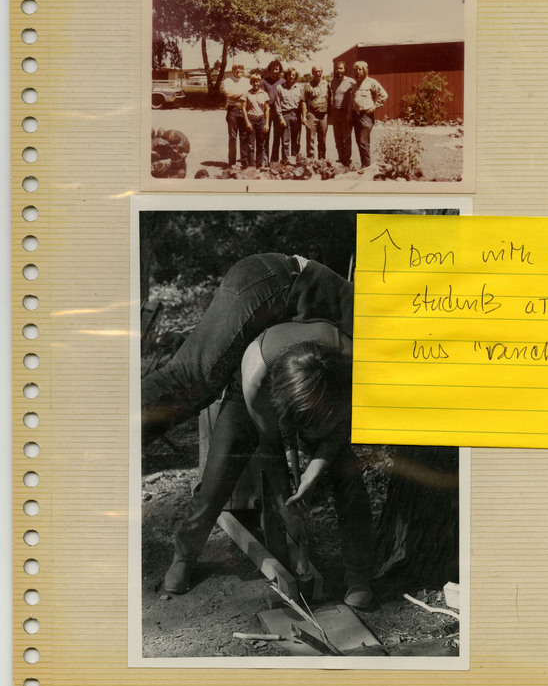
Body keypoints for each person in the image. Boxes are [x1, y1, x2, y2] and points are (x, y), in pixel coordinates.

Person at [163, 321, 375, 609]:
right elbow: (270, 448)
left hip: (324, 392)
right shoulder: (256, 376)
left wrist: (311, 476)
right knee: (217, 479)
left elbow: (338, 431)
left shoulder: (351, 362)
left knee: (348, 475)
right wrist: (285, 507)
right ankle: (184, 555)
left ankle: (358, 574)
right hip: (252, 389)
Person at [141, 253, 354, 447]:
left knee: (201, 386)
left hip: (269, 279)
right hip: (276, 282)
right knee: (192, 379)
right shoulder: (368, 338)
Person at [350, 60, 388, 168]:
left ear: (365, 70)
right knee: (359, 141)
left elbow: (384, 95)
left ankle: (366, 166)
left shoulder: (372, 82)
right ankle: (364, 164)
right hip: (356, 116)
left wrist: (374, 107)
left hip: (366, 116)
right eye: (355, 69)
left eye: (360, 69)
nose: (357, 72)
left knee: (363, 141)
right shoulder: (354, 84)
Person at [220, 62, 251, 168]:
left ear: (243, 70)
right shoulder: (227, 81)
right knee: (232, 137)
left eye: (240, 68)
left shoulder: (247, 81)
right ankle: (232, 162)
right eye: (236, 68)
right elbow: (228, 95)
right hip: (232, 110)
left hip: (244, 111)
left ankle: (244, 161)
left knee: (244, 137)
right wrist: (243, 95)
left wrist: (237, 95)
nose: (238, 70)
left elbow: (250, 94)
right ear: (233, 70)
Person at [301, 65, 331, 160]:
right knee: (310, 138)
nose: (318, 73)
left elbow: (330, 99)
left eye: (320, 71)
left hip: (323, 114)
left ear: (322, 72)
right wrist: (304, 116)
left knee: (322, 139)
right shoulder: (308, 86)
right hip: (312, 114)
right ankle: (310, 159)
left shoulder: (327, 84)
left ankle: (322, 159)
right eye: (316, 71)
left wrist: (329, 113)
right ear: (312, 73)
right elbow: (303, 101)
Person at [240, 73, 270, 168]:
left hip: (261, 120)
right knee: (250, 144)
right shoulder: (247, 93)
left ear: (260, 82)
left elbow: (267, 109)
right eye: (253, 82)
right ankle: (251, 165)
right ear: (251, 82)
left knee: (261, 144)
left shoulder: (264, 94)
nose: (256, 83)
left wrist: (267, 123)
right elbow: (243, 108)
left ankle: (259, 165)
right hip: (251, 120)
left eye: (257, 81)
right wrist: (247, 122)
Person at [274, 67, 304, 160]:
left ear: (296, 77)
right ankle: (286, 161)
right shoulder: (280, 88)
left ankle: (295, 160)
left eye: (293, 75)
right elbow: (277, 104)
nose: (291, 77)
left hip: (296, 115)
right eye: (289, 74)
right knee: (285, 141)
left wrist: (303, 117)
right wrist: (281, 118)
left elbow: (303, 103)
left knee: (296, 140)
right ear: (286, 76)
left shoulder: (299, 87)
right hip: (285, 115)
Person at [330, 61, 355, 166]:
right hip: (335, 112)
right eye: (337, 68)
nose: (339, 70)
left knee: (347, 137)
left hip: (346, 112)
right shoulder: (333, 81)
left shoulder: (351, 82)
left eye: (341, 68)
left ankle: (347, 158)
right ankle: (340, 157)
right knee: (338, 137)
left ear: (345, 69)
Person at [260, 59, 285, 164]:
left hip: (279, 111)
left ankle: (274, 160)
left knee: (277, 136)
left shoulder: (283, 82)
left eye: (277, 70)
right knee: (265, 136)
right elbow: (261, 96)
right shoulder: (264, 82)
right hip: (267, 111)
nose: (275, 71)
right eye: (273, 69)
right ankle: (264, 161)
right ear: (269, 70)